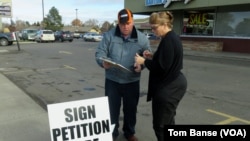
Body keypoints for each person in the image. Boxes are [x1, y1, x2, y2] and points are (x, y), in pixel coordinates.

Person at [95, 8, 151, 141]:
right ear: (118, 23)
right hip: (112, 80)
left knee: (131, 109)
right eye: (122, 24)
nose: (125, 27)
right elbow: (99, 53)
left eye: (128, 23)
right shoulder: (109, 36)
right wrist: (103, 62)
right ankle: (111, 132)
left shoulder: (142, 38)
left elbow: (147, 56)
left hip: (131, 81)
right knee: (111, 109)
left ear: (133, 22)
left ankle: (129, 132)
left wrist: (141, 65)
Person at [134, 11, 187, 141]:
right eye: (151, 27)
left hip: (169, 86)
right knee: (168, 121)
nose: (153, 30)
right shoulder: (171, 38)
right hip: (173, 83)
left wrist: (144, 61)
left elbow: (162, 68)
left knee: (160, 125)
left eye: (154, 27)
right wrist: (153, 56)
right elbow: (167, 60)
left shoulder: (169, 40)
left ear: (165, 24)